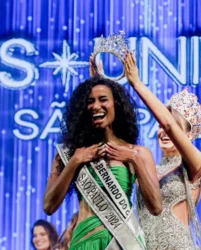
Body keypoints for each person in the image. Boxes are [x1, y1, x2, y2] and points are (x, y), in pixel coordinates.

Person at [122, 52, 201, 249]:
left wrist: (137, 84)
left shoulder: (194, 164)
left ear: (188, 136)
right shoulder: (146, 166)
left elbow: (169, 125)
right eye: (160, 126)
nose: (164, 131)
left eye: (173, 126)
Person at [43, 59, 162, 250]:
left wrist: (134, 160)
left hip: (122, 243)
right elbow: (49, 206)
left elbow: (156, 207)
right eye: (90, 102)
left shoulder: (137, 153)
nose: (96, 106)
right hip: (83, 243)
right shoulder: (69, 154)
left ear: (116, 104)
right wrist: (75, 162)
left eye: (103, 99)